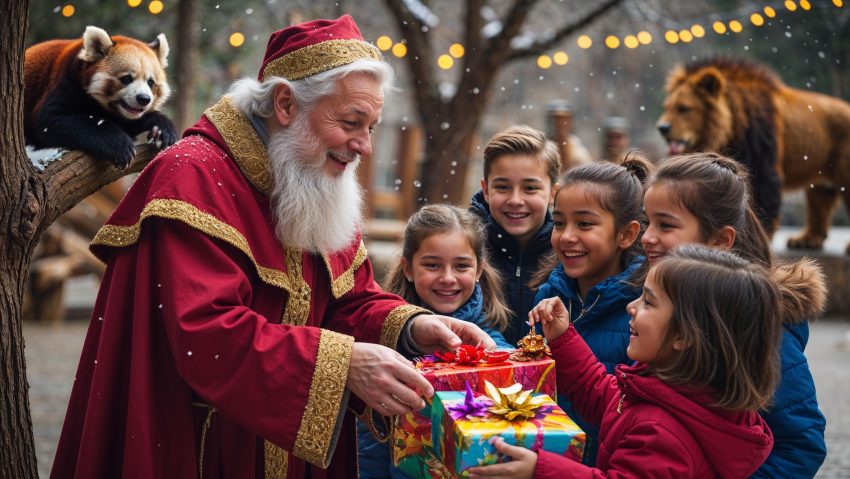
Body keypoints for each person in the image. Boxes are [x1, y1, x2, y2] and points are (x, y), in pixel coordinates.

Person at [50, 15, 495, 479]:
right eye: (350, 122)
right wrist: (343, 365)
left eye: (372, 126)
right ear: (285, 103)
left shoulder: (310, 176)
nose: (363, 145)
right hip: (203, 446)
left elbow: (348, 301)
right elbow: (206, 334)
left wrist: (412, 326)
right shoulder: (193, 177)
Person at [468, 245, 781, 479]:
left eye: (648, 301)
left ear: (685, 335)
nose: (632, 307)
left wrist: (543, 469)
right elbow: (602, 394)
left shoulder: (662, 434)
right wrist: (562, 336)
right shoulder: (667, 390)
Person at [641, 153, 827, 478]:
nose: (647, 237)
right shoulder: (654, 298)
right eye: (647, 222)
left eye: (665, 225)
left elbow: (800, 444)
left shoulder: (761, 326)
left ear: (719, 241)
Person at [357, 204, 513, 478]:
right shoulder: (381, 345)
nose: (448, 278)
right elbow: (370, 441)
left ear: (479, 270)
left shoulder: (496, 350)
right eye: (432, 265)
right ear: (408, 268)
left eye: (461, 265)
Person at [530, 157, 649, 465]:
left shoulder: (643, 310)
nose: (567, 236)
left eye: (584, 223)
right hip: (545, 460)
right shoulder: (547, 295)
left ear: (626, 234)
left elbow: (634, 412)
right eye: (558, 223)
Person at [470, 125, 561, 345]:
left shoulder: (566, 251)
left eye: (530, 188)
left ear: (553, 193)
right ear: (486, 190)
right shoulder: (465, 247)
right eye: (503, 187)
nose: (516, 200)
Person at [545, 99, 593, 171]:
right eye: (556, 120)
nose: (560, 124)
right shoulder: (543, 148)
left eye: (564, 120)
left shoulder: (579, 153)